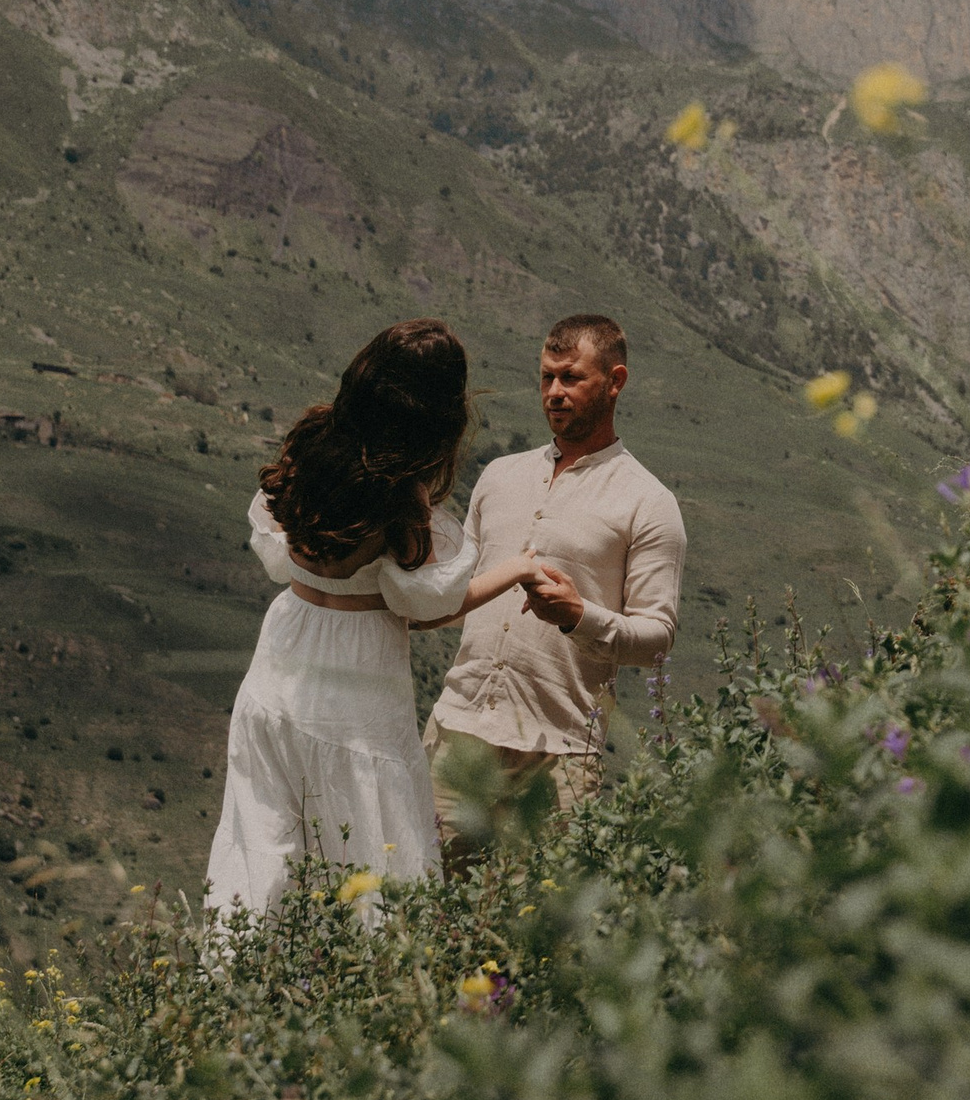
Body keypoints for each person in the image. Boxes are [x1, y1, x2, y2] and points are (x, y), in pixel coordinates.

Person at [204, 319, 582, 920]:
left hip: (280, 661)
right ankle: (375, 987)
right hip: (357, 683)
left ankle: (240, 972)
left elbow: (277, 552)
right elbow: (428, 605)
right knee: (372, 849)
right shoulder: (400, 493)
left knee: (263, 842)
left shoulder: (310, 448)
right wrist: (519, 568)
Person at [424, 311, 684, 852]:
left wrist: (578, 616)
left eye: (571, 377)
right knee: (422, 913)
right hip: (457, 738)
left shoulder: (648, 502)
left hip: (556, 756)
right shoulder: (498, 477)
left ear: (615, 382)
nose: (554, 392)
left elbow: (658, 637)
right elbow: (452, 591)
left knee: (534, 930)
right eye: (547, 377)